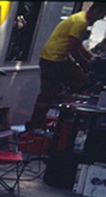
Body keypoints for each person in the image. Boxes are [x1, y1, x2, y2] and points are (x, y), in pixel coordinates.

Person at [26, 3, 106, 134]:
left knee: (80, 81)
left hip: (59, 58)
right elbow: (73, 49)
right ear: (95, 10)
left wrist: (90, 56)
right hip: (53, 59)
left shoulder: (81, 19)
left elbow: (78, 44)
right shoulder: (80, 22)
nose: (100, 18)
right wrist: (85, 64)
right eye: (101, 14)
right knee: (48, 93)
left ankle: (64, 117)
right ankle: (36, 125)